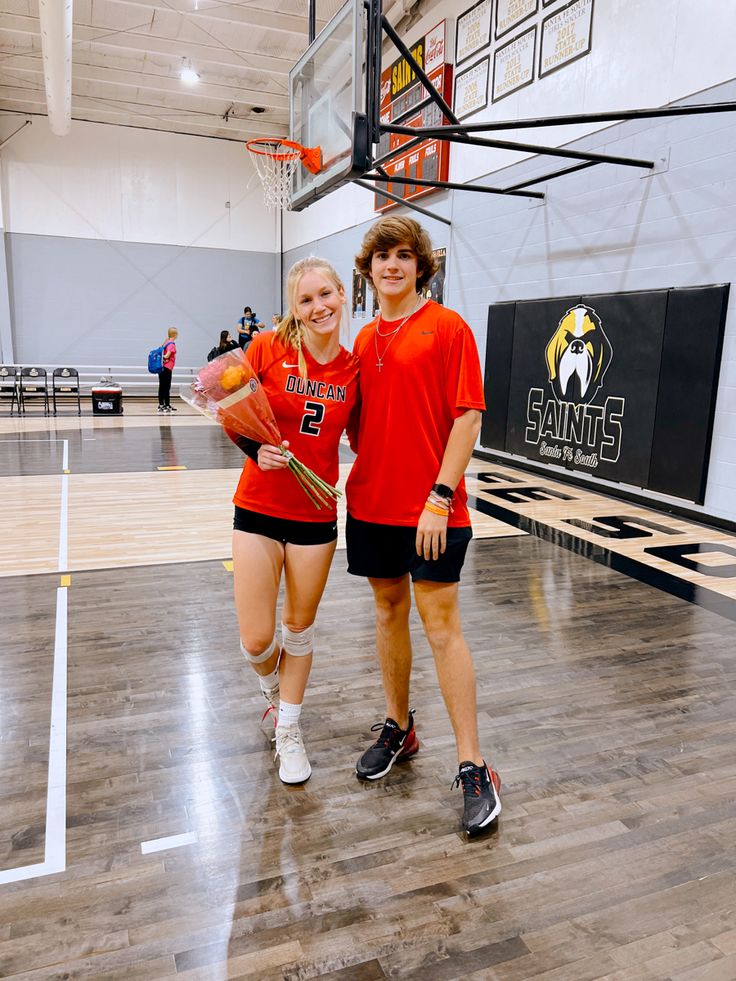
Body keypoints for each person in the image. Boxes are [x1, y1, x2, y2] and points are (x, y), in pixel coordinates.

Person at [346, 216, 501, 837]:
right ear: (369, 266)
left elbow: (468, 419)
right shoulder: (361, 339)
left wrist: (439, 495)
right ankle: (399, 727)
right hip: (371, 505)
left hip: (432, 509)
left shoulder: (447, 327)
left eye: (404, 255)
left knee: (442, 629)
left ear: (420, 266)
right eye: (382, 255)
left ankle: (473, 766)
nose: (392, 264)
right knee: (387, 613)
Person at [229, 258, 359, 784]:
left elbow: (370, 439)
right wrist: (253, 447)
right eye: (305, 300)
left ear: (342, 295)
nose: (318, 307)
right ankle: (271, 691)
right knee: (259, 639)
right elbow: (227, 404)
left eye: (325, 295)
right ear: (294, 307)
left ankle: (289, 729)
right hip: (258, 507)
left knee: (299, 630)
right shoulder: (267, 348)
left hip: (315, 514)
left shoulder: (353, 368)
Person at [158, 326, 178, 413]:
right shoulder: (172, 344)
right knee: (166, 387)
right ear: (175, 334)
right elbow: (166, 355)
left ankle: (162, 404)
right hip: (167, 368)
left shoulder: (166, 342)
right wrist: (165, 358)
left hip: (162, 367)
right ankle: (165, 405)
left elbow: (162, 351)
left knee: (162, 386)